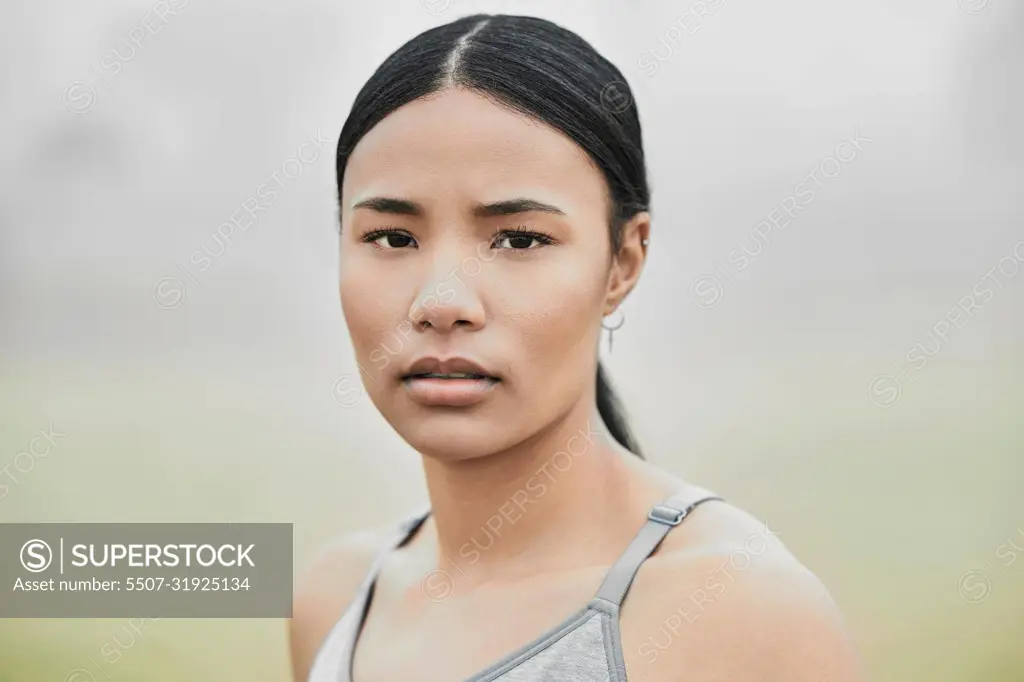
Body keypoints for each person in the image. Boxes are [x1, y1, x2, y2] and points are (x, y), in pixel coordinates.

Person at [290, 13, 863, 682]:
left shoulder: (740, 612)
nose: (440, 302)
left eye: (520, 239)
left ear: (622, 261)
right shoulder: (336, 598)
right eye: (391, 238)